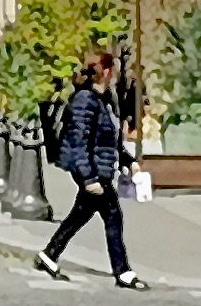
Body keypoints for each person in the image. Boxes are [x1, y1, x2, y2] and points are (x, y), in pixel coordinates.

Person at [35, 50, 151, 289]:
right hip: (91, 170)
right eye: (113, 70)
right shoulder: (85, 100)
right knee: (113, 216)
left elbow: (109, 140)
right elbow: (78, 142)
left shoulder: (103, 99)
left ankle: (49, 254)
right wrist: (89, 178)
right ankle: (123, 272)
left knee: (81, 214)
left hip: (98, 168)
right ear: (106, 72)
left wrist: (128, 161)